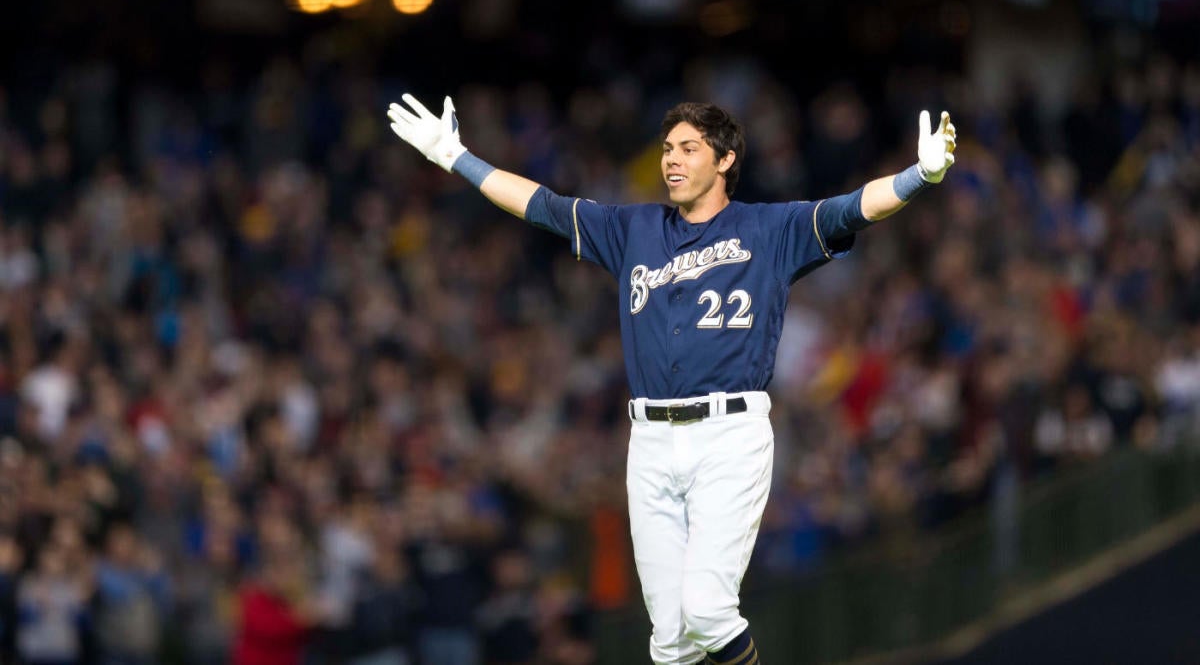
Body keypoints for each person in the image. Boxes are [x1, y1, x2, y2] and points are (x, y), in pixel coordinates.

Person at [386, 93, 956, 665]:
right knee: (670, 644)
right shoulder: (634, 228)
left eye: (689, 148)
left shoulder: (769, 227)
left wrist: (919, 176)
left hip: (728, 436)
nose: (672, 160)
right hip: (651, 443)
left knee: (709, 611)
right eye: (666, 149)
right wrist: (457, 156)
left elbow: (851, 209)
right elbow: (544, 206)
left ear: (725, 159)